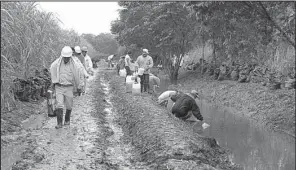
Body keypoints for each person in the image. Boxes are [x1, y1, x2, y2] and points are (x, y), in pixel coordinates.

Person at [49, 46, 84, 129]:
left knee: (69, 106)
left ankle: (67, 120)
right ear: (62, 56)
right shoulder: (56, 64)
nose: (66, 59)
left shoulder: (74, 65)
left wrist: (79, 87)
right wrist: (53, 82)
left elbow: (77, 76)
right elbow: (52, 70)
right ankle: (59, 123)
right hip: (59, 86)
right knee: (59, 105)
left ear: (70, 57)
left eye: (68, 58)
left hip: (69, 87)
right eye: (65, 57)